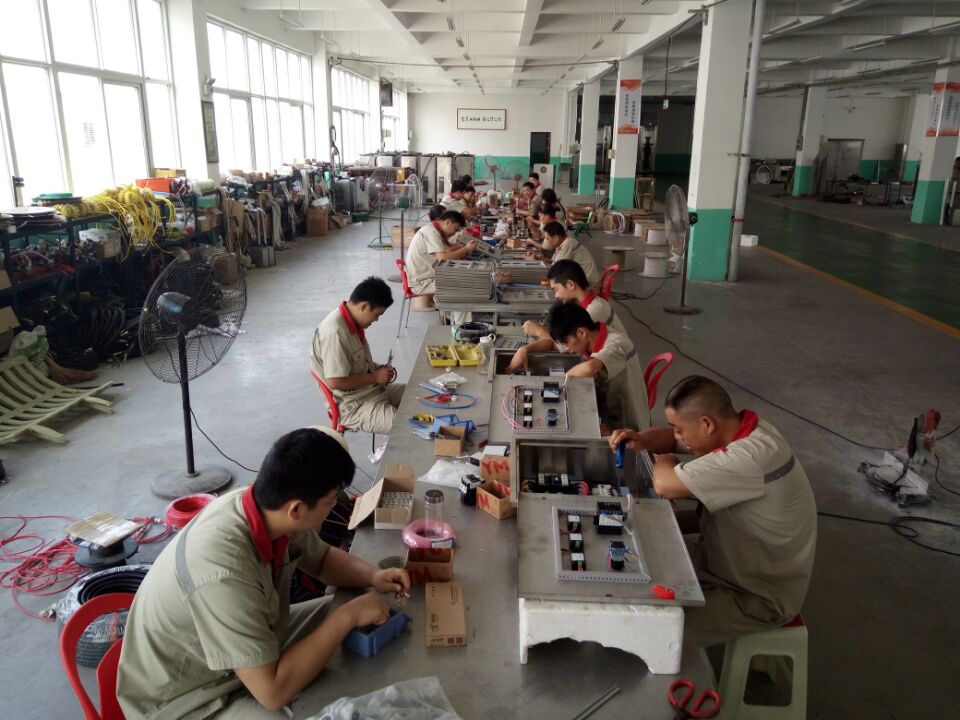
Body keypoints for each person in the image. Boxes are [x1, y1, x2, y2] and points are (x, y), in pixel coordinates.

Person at [117, 427, 411, 720]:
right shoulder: (223, 571)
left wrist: (374, 576)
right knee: (340, 624)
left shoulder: (270, 508)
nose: (333, 508)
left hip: (241, 647)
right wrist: (347, 617)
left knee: (344, 611)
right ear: (297, 509)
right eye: (330, 502)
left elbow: (322, 560)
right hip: (188, 697)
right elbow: (272, 692)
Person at [608, 376, 817, 647]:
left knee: (649, 632)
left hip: (754, 595)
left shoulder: (748, 458)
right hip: (720, 560)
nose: (677, 436)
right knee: (632, 570)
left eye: (679, 429)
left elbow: (665, 484)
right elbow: (669, 441)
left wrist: (666, 460)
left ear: (707, 424)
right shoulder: (742, 431)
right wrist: (641, 439)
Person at [310, 277, 403, 435]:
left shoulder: (353, 323)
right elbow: (335, 382)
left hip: (370, 390)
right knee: (406, 428)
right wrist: (375, 377)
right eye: (377, 315)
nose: (376, 320)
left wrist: (376, 368)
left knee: (416, 395)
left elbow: (355, 362)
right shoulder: (335, 333)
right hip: (353, 405)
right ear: (364, 306)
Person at [539, 301, 649, 430]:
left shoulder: (617, 343)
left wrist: (561, 381)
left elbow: (589, 368)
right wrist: (525, 350)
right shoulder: (592, 339)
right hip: (608, 415)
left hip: (630, 427)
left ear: (581, 333)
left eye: (566, 342)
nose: (566, 349)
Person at [520, 259, 625, 342]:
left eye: (556, 290)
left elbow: (569, 345)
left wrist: (539, 331)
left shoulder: (593, 311)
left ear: (570, 285)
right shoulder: (582, 303)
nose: (556, 295)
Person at [406, 210, 473, 298]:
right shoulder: (431, 232)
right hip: (423, 283)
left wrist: (461, 251)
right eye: (455, 229)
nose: (454, 233)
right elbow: (443, 258)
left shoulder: (435, 230)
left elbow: (447, 251)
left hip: (428, 276)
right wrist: (466, 249)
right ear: (448, 222)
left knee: (466, 276)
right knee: (467, 284)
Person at [529, 221, 599, 287]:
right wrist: (538, 258)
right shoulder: (562, 243)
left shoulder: (568, 244)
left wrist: (534, 262)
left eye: (547, 239)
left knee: (548, 283)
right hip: (580, 278)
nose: (547, 242)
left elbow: (555, 269)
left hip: (588, 283)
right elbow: (552, 261)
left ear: (556, 238)